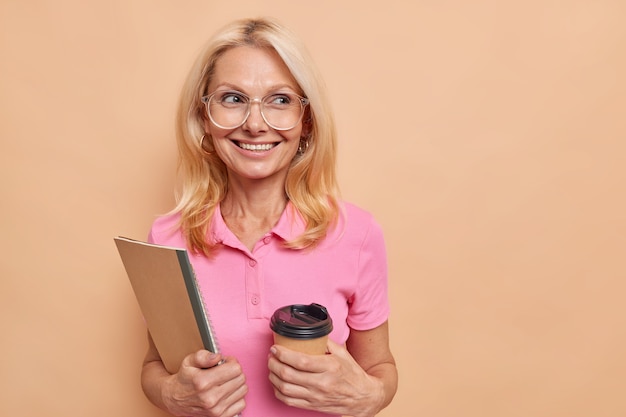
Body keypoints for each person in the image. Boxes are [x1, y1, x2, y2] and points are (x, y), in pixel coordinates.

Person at [141, 17, 398, 417]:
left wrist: (372, 396)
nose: (256, 125)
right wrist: (171, 394)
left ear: (306, 120)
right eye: (232, 99)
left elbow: (380, 368)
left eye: (280, 100)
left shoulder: (357, 233)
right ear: (204, 118)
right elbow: (155, 366)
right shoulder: (167, 238)